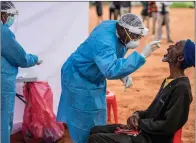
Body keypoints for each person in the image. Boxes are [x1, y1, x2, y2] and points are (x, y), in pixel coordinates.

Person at [57, 13, 160, 143]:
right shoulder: (103, 41)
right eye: (133, 36)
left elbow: (113, 56)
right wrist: (142, 56)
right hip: (77, 77)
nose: (135, 39)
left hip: (94, 75)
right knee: (81, 118)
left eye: (137, 36)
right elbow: (111, 70)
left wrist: (123, 73)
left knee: (98, 115)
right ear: (122, 29)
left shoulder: (117, 29)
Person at [88, 39, 195, 143]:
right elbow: (152, 113)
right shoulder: (170, 82)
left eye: (176, 46)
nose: (169, 47)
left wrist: (140, 123)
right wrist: (137, 115)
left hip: (151, 138)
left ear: (180, 58)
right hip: (144, 132)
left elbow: (169, 126)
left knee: (96, 139)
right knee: (95, 131)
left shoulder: (182, 90)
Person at [1, 2, 42, 143]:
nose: (11, 19)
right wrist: (34, 59)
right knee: (3, 121)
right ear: (3, 14)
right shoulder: (3, 32)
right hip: (2, 84)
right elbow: (20, 57)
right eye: (10, 15)